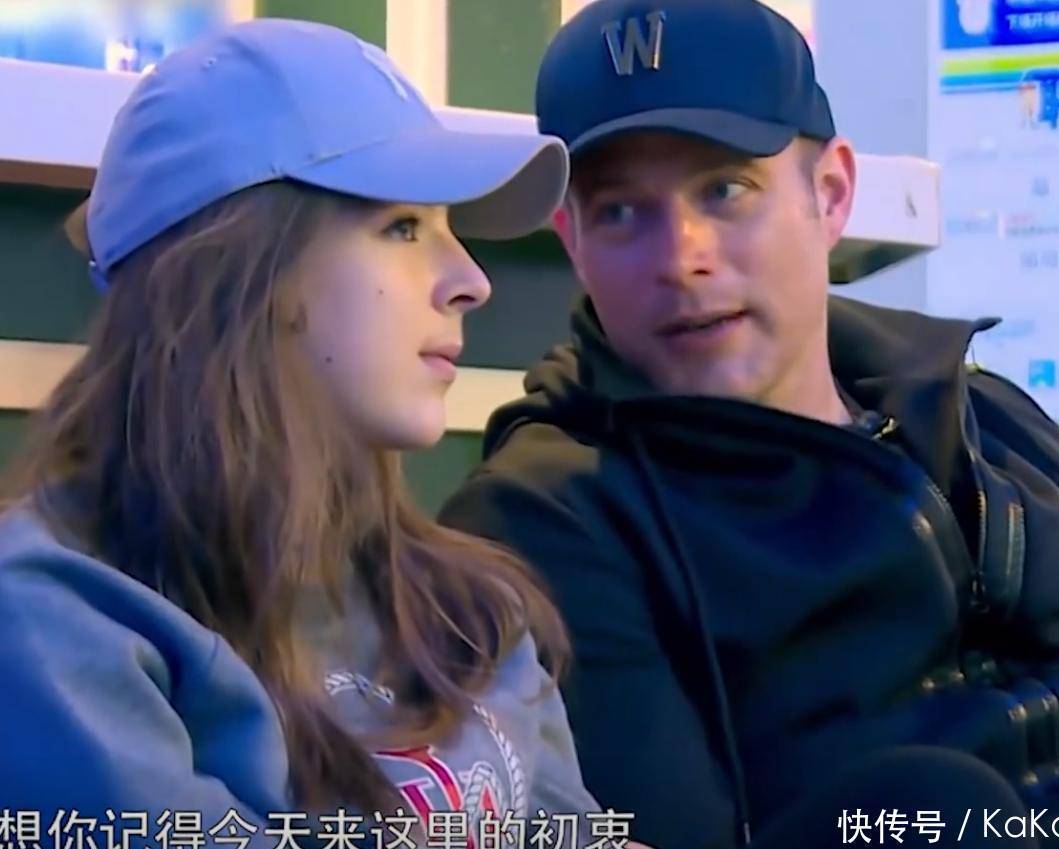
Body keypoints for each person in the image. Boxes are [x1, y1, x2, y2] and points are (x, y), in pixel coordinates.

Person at [438, 1, 1059, 846]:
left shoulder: (988, 416)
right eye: (620, 212)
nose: (682, 256)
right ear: (574, 243)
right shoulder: (546, 519)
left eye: (725, 190)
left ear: (831, 193)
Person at [0, 18, 650, 848]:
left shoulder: (470, 612)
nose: (471, 280)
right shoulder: (57, 619)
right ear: (245, 272)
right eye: (402, 228)